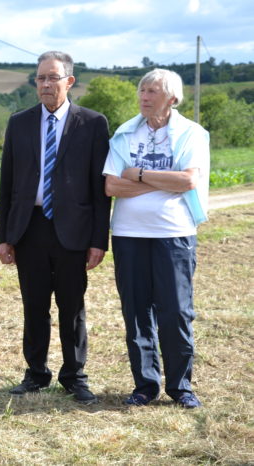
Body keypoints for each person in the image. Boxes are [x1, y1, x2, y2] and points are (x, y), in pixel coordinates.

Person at [0, 51, 110, 405]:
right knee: (34, 304)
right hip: (29, 228)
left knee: (72, 306)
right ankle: (36, 373)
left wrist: (98, 241)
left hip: (73, 231)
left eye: (53, 78)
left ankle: (74, 375)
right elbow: (7, 184)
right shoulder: (19, 123)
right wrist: (5, 236)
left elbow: (99, 188)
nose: (45, 84)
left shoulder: (92, 124)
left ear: (69, 81)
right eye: (40, 78)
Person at [103, 69, 209, 409]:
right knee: (136, 312)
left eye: (152, 92)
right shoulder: (124, 134)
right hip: (128, 234)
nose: (144, 97)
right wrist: (164, 180)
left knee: (176, 311)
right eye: (142, 91)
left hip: (173, 234)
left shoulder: (192, 133)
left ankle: (181, 388)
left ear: (172, 99)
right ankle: (145, 386)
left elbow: (187, 181)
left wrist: (141, 174)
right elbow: (112, 185)